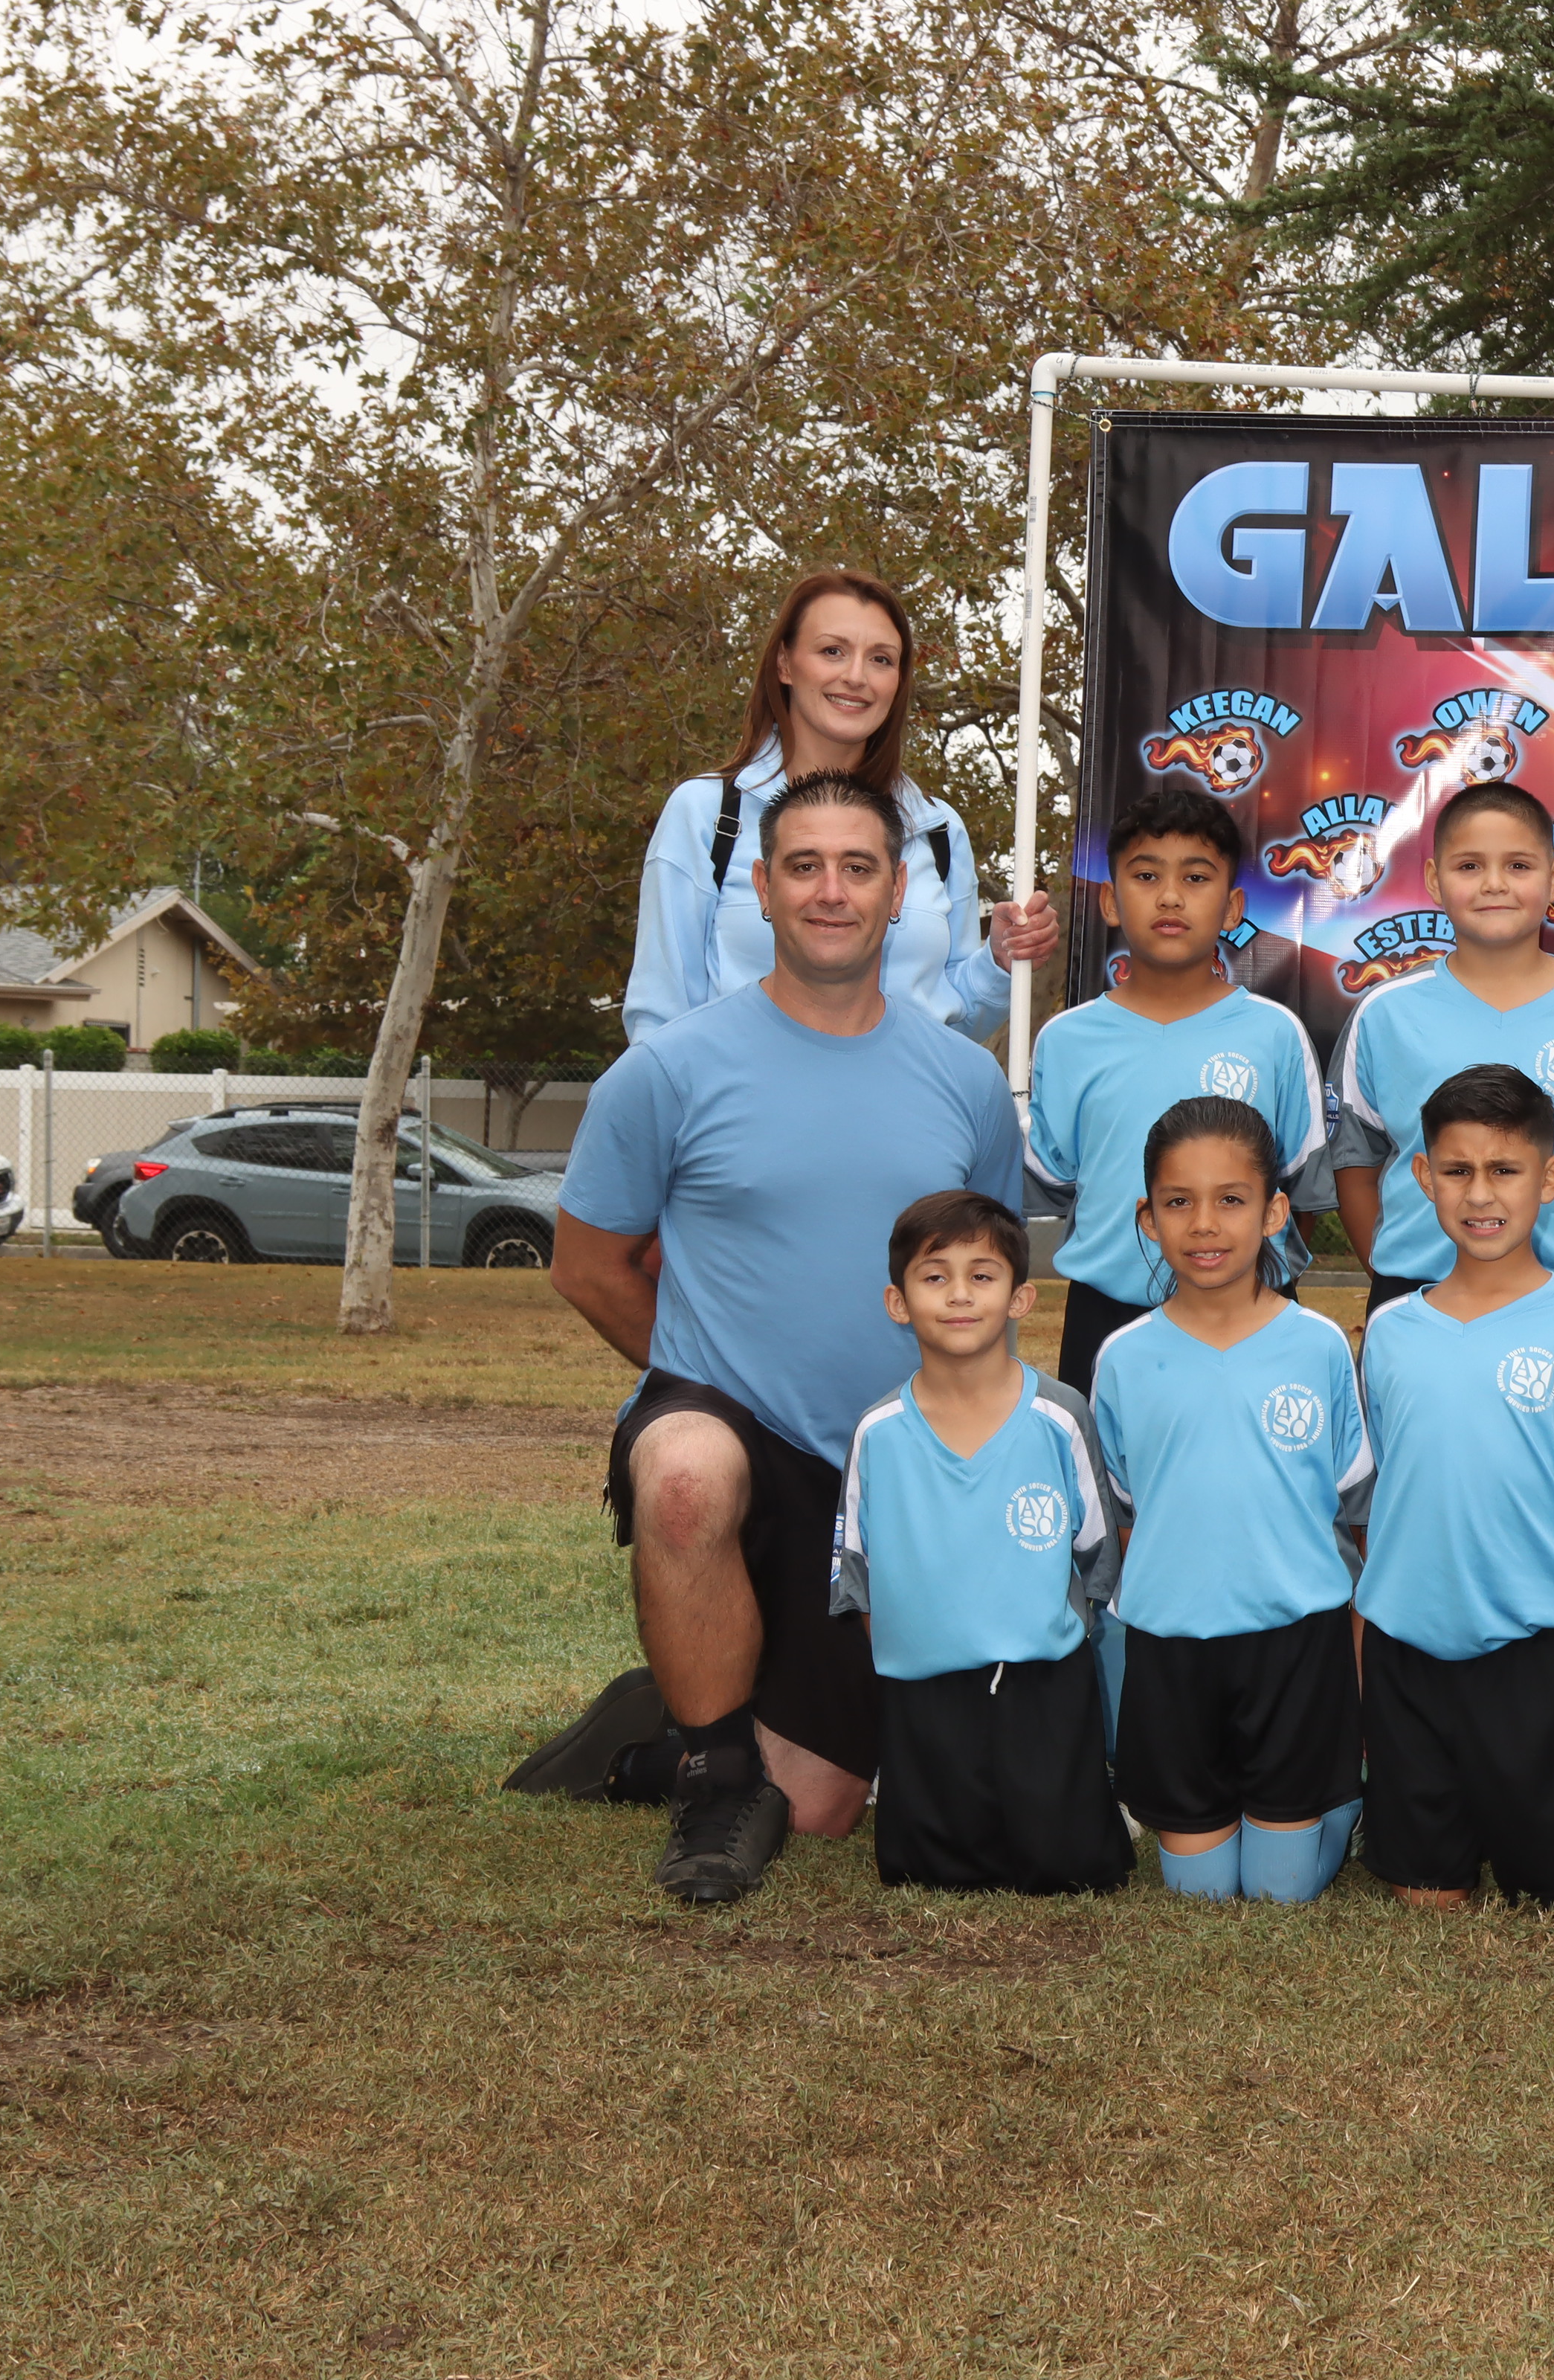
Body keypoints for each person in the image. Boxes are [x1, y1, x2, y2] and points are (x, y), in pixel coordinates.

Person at [549, 773, 1025, 1905]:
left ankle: (652, 1737)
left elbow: (991, 1279)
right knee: (684, 1474)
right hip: (727, 1427)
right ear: (761, 888)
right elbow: (588, 1264)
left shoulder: (965, 1082)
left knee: (817, 1807)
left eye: (858, 868)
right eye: (803, 866)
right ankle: (714, 1782)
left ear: (899, 892)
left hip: (884, 1462)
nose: (830, 891)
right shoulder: (668, 1071)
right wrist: (701, 1373)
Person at [1344, 1065, 1554, 1914]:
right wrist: (1363, 1668)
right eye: (1457, 1170)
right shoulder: (1390, 1332)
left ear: (1551, 1178)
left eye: (1505, 1170)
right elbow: (1374, 1513)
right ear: (1423, 1176)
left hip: (1539, 1651)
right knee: (1429, 1900)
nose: (1480, 1194)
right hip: (1410, 1656)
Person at [1093, 1098, 1370, 1904]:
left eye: (1231, 1199)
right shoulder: (1123, 1358)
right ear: (1148, 1218)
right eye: (1179, 1201)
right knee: (1204, 1893)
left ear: (1274, 1212)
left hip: (1295, 1646)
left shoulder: (1318, 1345)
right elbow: (1125, 1508)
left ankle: (1342, 1802)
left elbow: (1354, 1510)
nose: (1205, 1224)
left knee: (1280, 1891)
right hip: (1173, 1652)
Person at [834, 1191, 1129, 1897]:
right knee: (928, 1874)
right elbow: (858, 1573)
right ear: (898, 1302)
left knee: (1071, 1871)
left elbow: (1099, 1558)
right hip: (925, 1691)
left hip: (1043, 1686)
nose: (960, 1294)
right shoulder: (878, 1432)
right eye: (935, 1277)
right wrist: (911, 1655)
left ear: (1020, 1298)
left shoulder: (1060, 1416)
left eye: (982, 1275)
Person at [625, 566, 1058, 1043]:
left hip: (903, 1093)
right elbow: (660, 1017)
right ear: (784, 663)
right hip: (744, 1092)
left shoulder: (938, 829)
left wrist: (997, 963)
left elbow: (952, 1027)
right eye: (833, 651)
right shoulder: (707, 815)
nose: (856, 677)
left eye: (881, 659)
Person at [1025, 783, 1332, 1395]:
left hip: (1252, 1315)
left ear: (1232, 908)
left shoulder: (1274, 1034)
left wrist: (1236, 1270)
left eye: (1196, 878)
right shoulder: (1066, 1041)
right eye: (1146, 876)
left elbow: (1297, 1190)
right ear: (1110, 901)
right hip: (1107, 1319)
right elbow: (1056, 1188)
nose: (1169, 896)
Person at [1332, 781, 1554, 1310]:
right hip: (1418, 1294)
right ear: (1435, 881)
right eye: (1469, 866)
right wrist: (1395, 1276)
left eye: (1518, 866)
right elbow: (1353, 1160)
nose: (1494, 884)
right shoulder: (1384, 1013)